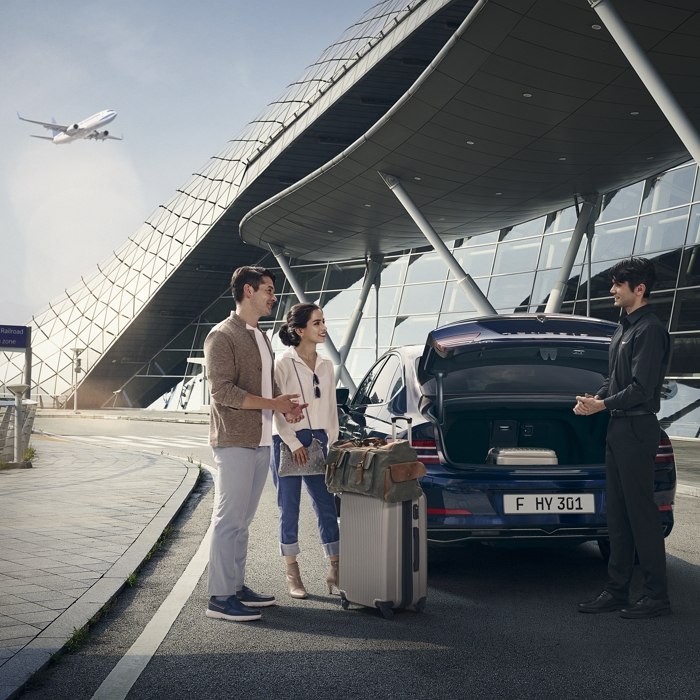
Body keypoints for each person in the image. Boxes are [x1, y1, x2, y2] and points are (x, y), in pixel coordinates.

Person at [204, 266, 306, 622]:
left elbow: (267, 390)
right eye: (268, 290)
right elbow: (222, 392)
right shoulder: (222, 336)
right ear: (248, 291)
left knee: (243, 521)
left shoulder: (261, 337)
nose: (273, 298)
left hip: (262, 440)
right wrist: (273, 404)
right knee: (228, 519)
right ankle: (219, 597)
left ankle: (235, 586)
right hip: (234, 439)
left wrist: (285, 407)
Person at [574, 257, 671, 619]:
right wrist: (593, 400)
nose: (612, 290)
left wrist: (603, 405)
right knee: (617, 515)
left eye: (618, 284)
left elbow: (641, 389)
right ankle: (616, 591)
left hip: (637, 427)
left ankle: (656, 596)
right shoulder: (623, 328)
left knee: (642, 516)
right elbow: (613, 380)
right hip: (618, 427)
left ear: (639, 289)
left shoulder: (649, 330)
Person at [270, 303, 341, 599]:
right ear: (299, 330)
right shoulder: (283, 364)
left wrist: (333, 445)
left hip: (321, 440)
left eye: (323, 322)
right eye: (317, 323)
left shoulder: (327, 365)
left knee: (327, 505)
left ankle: (336, 569)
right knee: (290, 508)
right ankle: (293, 574)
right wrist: (294, 442)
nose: (323, 327)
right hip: (289, 441)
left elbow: (331, 409)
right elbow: (276, 407)